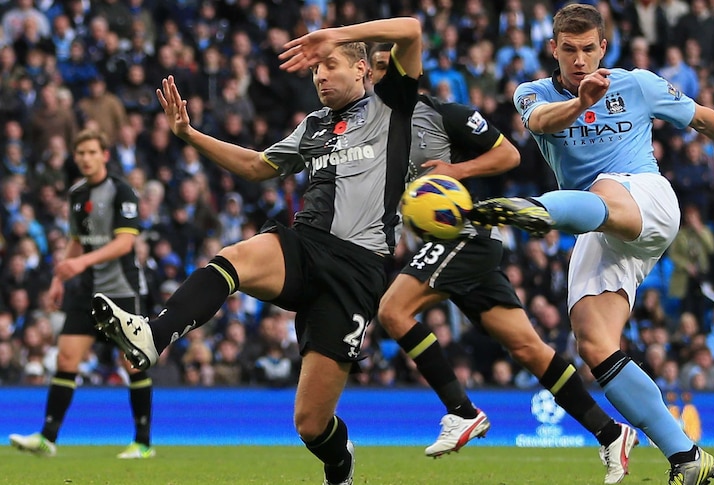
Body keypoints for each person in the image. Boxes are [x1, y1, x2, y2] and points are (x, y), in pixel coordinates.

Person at [469, 4, 714, 484]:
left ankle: (542, 211)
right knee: (593, 343)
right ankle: (686, 456)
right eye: (568, 49)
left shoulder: (638, 83)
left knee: (604, 191)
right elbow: (544, 121)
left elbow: (701, 119)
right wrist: (580, 102)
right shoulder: (533, 93)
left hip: (646, 200)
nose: (579, 59)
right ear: (553, 49)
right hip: (598, 223)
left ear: (603, 48)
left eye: (588, 48)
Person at [90, 17, 423, 485]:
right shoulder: (314, 125)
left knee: (310, 425)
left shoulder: (393, 106)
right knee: (234, 258)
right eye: (316, 70)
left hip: (358, 270)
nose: (320, 75)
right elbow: (256, 165)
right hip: (306, 245)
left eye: (330, 66)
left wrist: (338, 35)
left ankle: (340, 463)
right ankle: (154, 332)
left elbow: (409, 29)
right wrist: (189, 134)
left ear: (363, 68)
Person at [369, 45, 638, 484]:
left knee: (393, 311)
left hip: (465, 233)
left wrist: (457, 172)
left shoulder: (443, 113)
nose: (378, 80)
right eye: (373, 72)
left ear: (406, 73)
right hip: (447, 242)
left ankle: (462, 412)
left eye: (386, 69)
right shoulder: (374, 130)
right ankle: (610, 433)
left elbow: (509, 155)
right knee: (529, 349)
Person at [9, 129, 154, 459]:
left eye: (92, 152)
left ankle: (143, 443)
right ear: (76, 158)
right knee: (66, 359)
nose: (86, 158)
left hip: (121, 290)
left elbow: (125, 242)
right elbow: (76, 239)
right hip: (87, 291)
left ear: (104, 155)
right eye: (81, 153)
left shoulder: (121, 191)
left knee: (133, 364)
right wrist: (59, 278)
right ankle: (47, 439)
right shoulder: (76, 194)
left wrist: (80, 263)